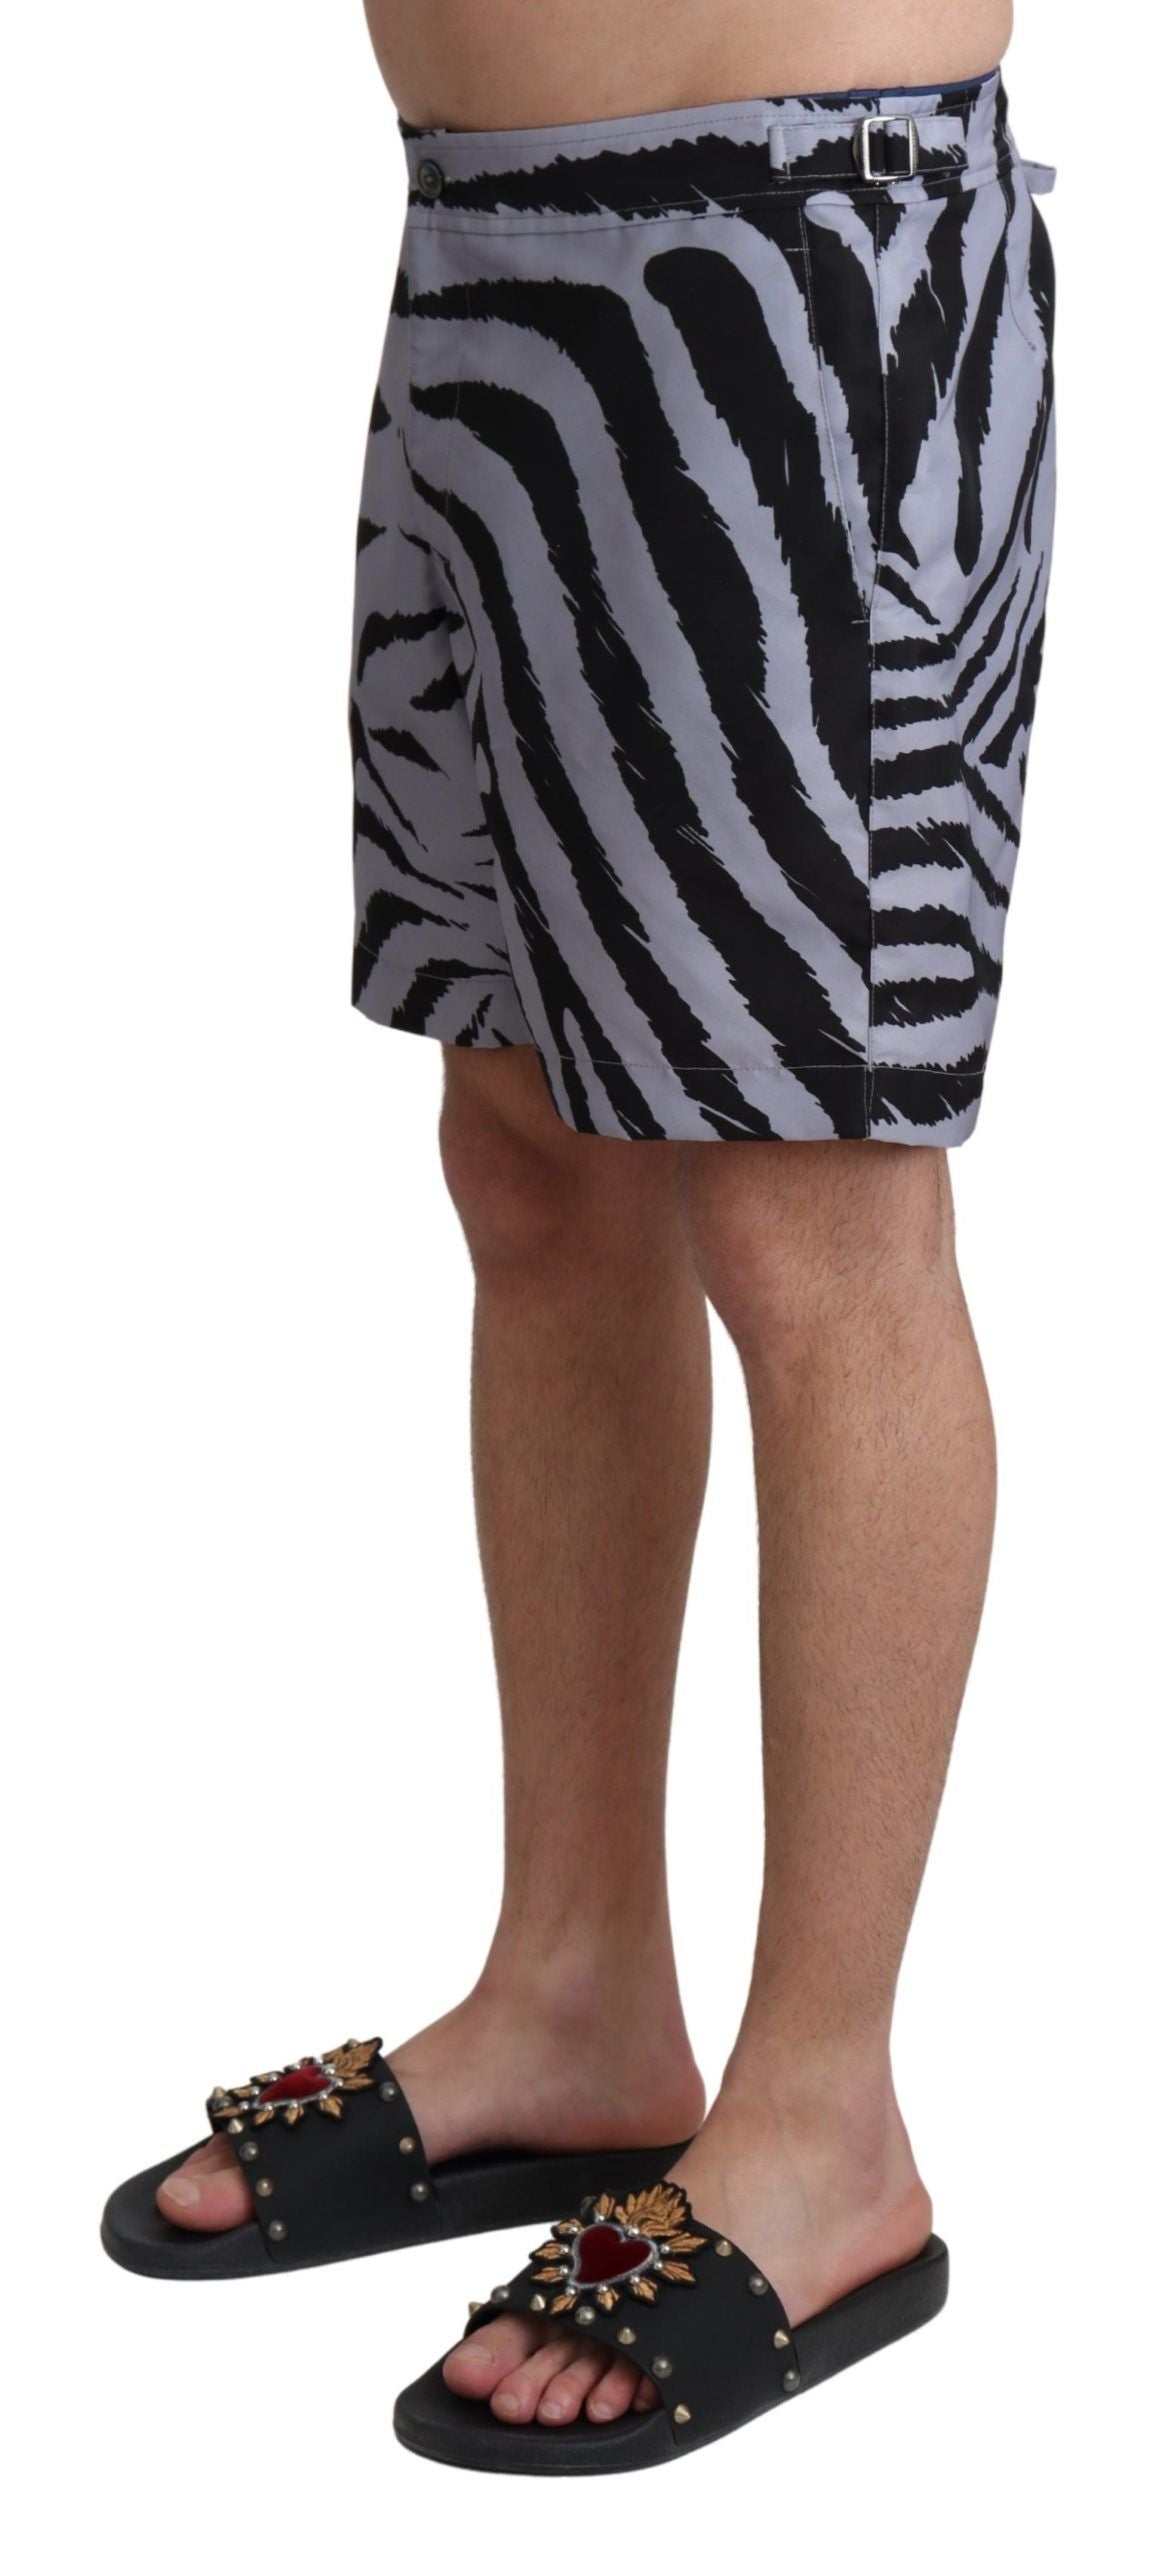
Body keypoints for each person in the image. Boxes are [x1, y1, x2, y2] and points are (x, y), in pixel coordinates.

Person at [102, 0, 1056, 2471]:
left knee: (808, 1205)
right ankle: (575, 1991)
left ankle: (823, 2117)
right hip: (483, 256)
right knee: (528, 1149)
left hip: (797, 261)